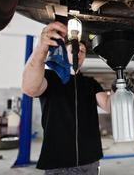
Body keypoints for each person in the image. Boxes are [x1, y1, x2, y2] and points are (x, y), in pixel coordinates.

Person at [22, 21, 110, 175]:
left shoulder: (90, 83)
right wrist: (41, 49)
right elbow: (29, 88)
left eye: (83, 51)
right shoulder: (50, 77)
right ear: (64, 51)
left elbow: (108, 105)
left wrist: (119, 89)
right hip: (58, 161)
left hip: (89, 160)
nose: (80, 53)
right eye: (75, 49)